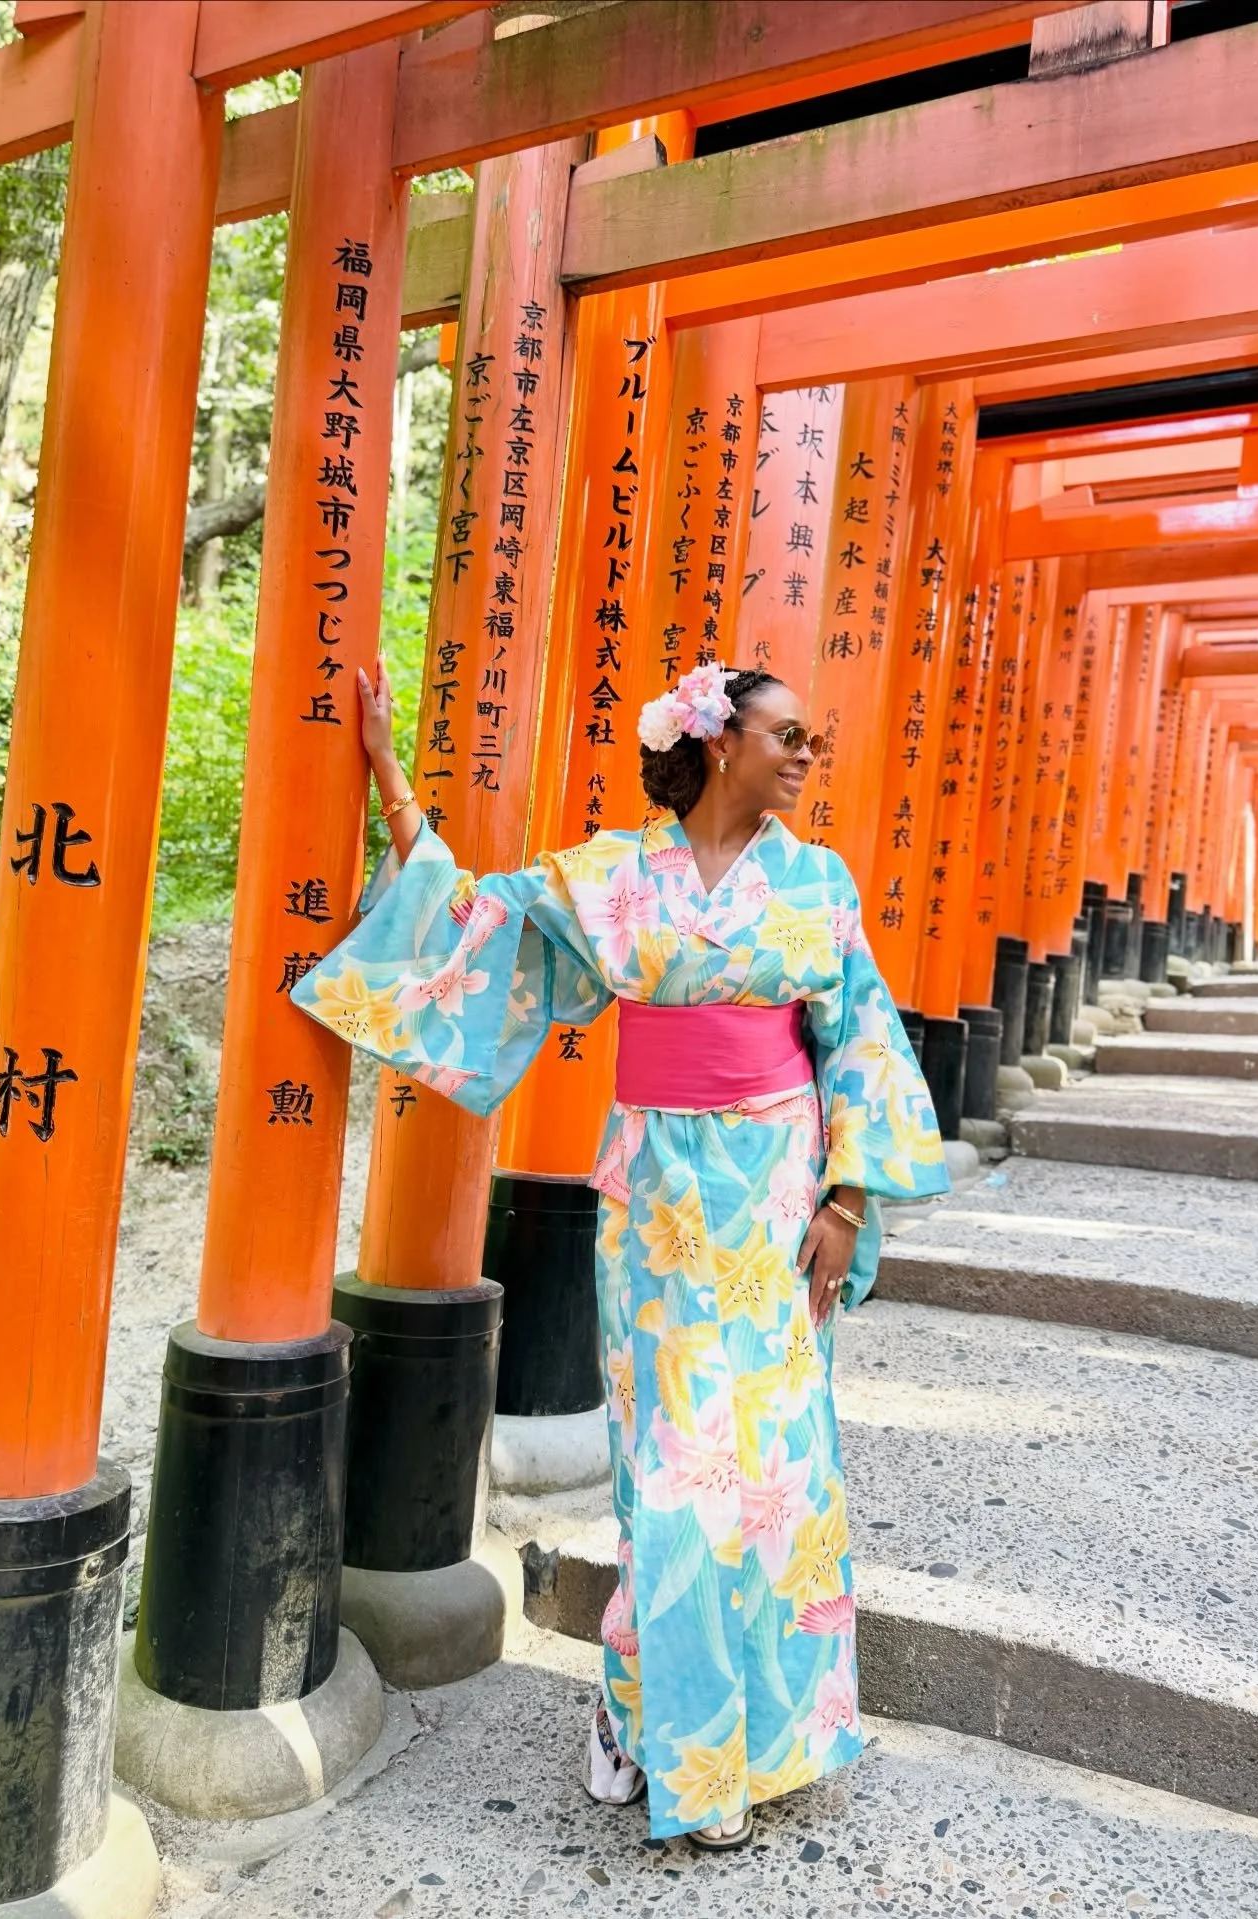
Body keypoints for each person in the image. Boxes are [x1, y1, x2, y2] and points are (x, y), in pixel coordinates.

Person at [291, 657, 950, 1850]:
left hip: (774, 1200)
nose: (807, 755)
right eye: (785, 734)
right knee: (678, 1478)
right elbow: (476, 927)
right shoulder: (617, 879)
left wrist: (848, 1201)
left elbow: (861, 1039)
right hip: (654, 1205)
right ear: (716, 742)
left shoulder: (817, 884)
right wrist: (390, 774)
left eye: (815, 739)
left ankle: (701, 1726)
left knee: (778, 1477)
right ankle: (690, 1755)